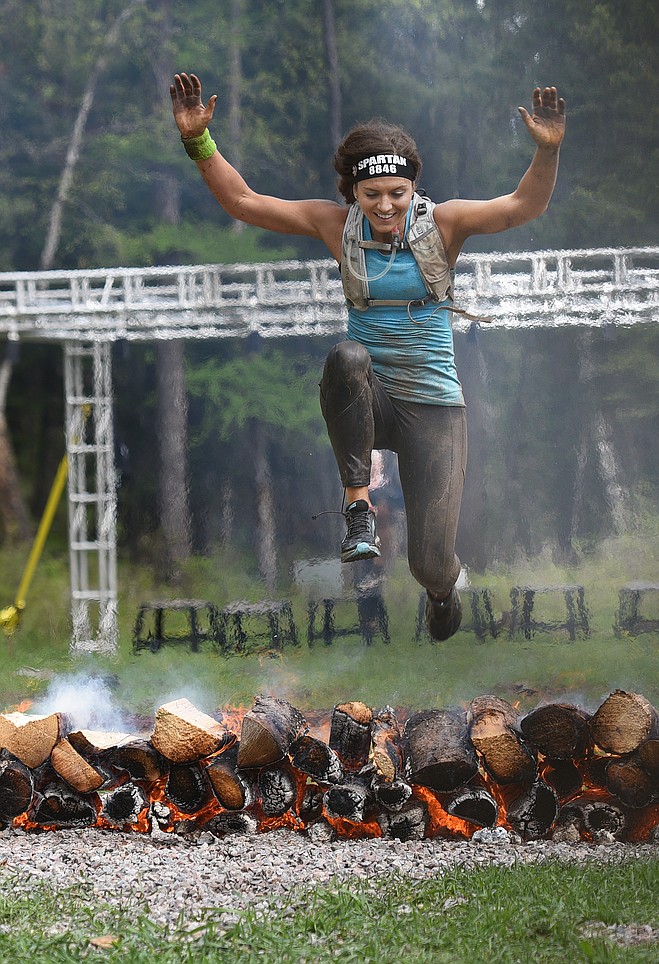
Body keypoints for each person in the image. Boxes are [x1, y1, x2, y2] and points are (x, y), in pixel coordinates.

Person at [169, 72, 566, 641]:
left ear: (413, 190)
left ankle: (442, 587)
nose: (385, 205)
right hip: (372, 395)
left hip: (433, 405)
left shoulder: (445, 224)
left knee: (428, 562)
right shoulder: (336, 227)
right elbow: (243, 201)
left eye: (396, 194)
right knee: (346, 357)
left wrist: (547, 150)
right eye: (372, 194)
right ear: (352, 193)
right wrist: (197, 142)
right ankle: (359, 508)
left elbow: (523, 205)